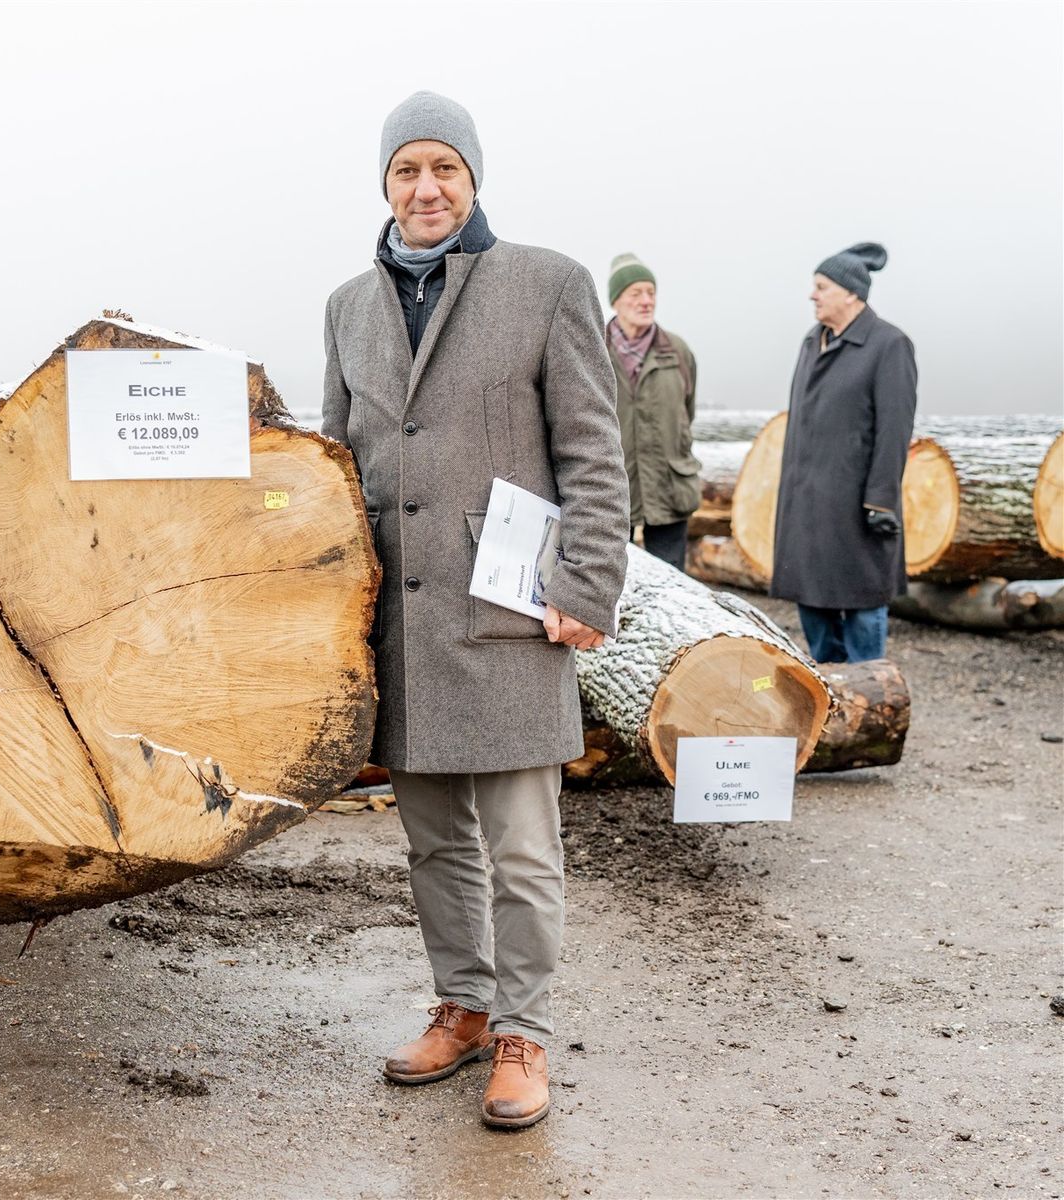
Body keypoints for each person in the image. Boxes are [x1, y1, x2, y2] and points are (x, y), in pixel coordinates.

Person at [322, 91, 629, 1130]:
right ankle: (462, 1006)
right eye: (406, 171)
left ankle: (525, 1034)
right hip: (401, 630)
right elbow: (335, 472)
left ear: (473, 177)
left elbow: (594, 452)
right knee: (434, 846)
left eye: (443, 169)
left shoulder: (548, 286)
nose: (426, 189)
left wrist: (586, 587)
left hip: (511, 618)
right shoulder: (346, 309)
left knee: (524, 848)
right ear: (384, 185)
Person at [770, 242, 916, 663]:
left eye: (821, 286)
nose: (812, 295)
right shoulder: (811, 341)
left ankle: (870, 700)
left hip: (856, 506)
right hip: (807, 502)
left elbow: (894, 430)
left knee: (862, 606)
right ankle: (832, 707)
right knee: (812, 605)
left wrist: (881, 501)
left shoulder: (889, 345)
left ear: (851, 292)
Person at [604, 253, 700, 570]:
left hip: (670, 487)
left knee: (673, 585)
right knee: (611, 582)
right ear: (616, 300)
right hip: (610, 492)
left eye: (651, 293)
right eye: (636, 293)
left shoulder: (678, 352)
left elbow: (687, 412)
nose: (646, 301)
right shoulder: (593, 349)